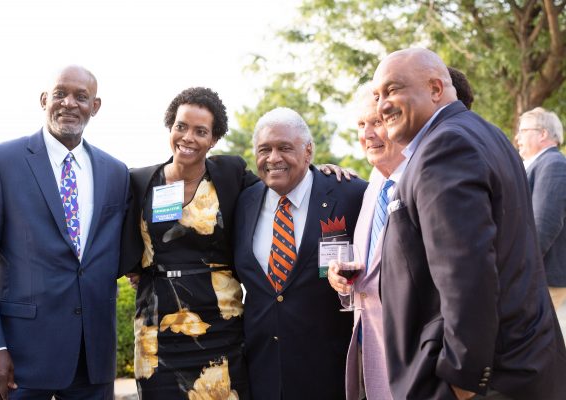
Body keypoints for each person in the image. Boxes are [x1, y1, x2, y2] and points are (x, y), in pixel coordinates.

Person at [371, 48, 566, 400]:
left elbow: (467, 273)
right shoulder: (485, 134)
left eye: (393, 89)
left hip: (487, 381)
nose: (382, 105)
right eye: (377, 95)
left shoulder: (444, 147)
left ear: (434, 89)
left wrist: (464, 378)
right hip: (522, 363)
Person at [0, 65, 129, 400]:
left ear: (95, 106)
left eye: (81, 97)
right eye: (60, 94)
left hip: (93, 358)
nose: (69, 103)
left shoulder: (116, 173)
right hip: (19, 360)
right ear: (44, 100)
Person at [119, 87, 258, 399]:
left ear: (214, 139)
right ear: (170, 127)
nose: (188, 137)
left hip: (221, 323)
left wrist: (323, 175)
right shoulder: (140, 181)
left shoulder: (230, 174)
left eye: (200, 131)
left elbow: (278, 188)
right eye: (181, 126)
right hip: (156, 327)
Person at [234, 107, 367, 400]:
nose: (273, 158)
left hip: (329, 375)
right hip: (263, 374)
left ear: (308, 151)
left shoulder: (351, 194)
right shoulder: (242, 203)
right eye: (264, 149)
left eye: (285, 148)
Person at [328, 85, 405, 400]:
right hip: (368, 349)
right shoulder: (372, 183)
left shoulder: (423, 179)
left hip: (409, 353)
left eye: (377, 122)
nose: (368, 133)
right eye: (361, 125)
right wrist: (339, 275)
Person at [516, 107, 566, 311]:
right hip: (539, 275)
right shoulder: (544, 164)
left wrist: (520, 268)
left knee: (539, 342)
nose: (517, 137)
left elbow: (544, 224)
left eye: (523, 131)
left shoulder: (553, 164)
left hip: (543, 277)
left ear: (543, 134)